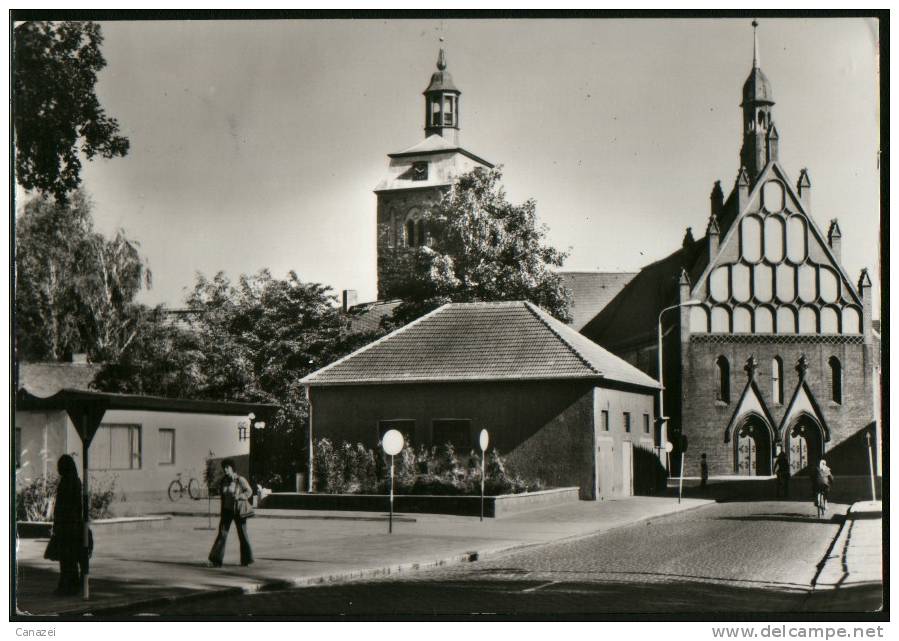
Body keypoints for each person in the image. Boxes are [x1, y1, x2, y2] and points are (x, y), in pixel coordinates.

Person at [208, 459, 254, 567]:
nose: (225, 469)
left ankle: (246, 560)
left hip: (238, 511)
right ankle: (216, 560)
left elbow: (249, 491)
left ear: (232, 468)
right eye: (224, 467)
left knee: (242, 535)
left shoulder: (240, 480)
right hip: (227, 511)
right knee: (222, 534)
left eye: (227, 467)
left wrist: (240, 496)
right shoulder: (224, 480)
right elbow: (222, 494)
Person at [52, 454, 85, 595]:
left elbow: (61, 506)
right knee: (71, 558)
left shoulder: (66, 482)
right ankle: (73, 584)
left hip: (66, 525)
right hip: (74, 524)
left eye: (60, 466)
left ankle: (67, 586)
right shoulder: (76, 481)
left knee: (66, 559)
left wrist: (57, 524)